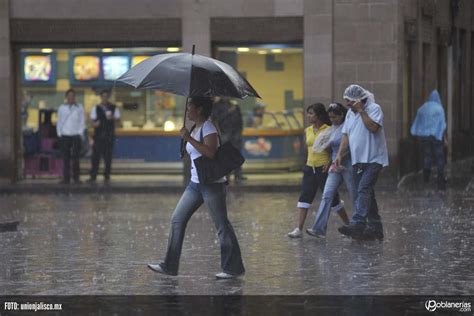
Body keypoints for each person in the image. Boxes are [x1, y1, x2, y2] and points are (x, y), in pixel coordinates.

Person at [148, 96, 245, 279]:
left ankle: (233, 268)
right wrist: (186, 138)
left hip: (211, 184)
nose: (188, 110)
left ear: (199, 109)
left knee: (222, 225)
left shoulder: (208, 127)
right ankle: (170, 265)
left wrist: (188, 139)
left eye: (190, 106)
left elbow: (211, 152)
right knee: (177, 219)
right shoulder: (195, 127)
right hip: (195, 183)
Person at [334, 84, 389, 241]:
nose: (347, 105)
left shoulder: (374, 109)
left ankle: (358, 222)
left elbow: (373, 128)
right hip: (358, 160)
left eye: (350, 102)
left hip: (374, 159)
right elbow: (346, 135)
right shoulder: (350, 114)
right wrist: (340, 154)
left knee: (363, 189)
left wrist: (361, 110)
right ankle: (375, 228)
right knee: (367, 194)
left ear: (358, 100)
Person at [287, 103, 347, 238]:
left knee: (334, 200)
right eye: (308, 113)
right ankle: (298, 229)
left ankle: (348, 224)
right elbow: (307, 149)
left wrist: (329, 162)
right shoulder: (307, 130)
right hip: (309, 168)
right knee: (304, 197)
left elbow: (333, 150)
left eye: (311, 113)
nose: (308, 116)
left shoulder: (328, 129)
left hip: (323, 169)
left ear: (319, 115)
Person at [306, 103, 352, 239]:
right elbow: (328, 148)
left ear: (341, 115)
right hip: (335, 165)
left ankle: (359, 224)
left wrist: (340, 156)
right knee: (327, 194)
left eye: (334, 117)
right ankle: (319, 228)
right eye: (330, 117)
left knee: (354, 194)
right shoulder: (332, 129)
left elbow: (351, 146)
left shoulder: (348, 127)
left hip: (348, 164)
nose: (332, 120)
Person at [410, 89, 447, 190]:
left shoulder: (423, 108)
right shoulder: (439, 109)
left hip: (425, 137)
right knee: (439, 157)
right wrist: (441, 135)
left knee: (427, 156)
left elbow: (418, 121)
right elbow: (442, 124)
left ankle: (426, 178)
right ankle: (440, 179)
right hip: (436, 137)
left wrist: (416, 131)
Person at [87, 89, 120, 183]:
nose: (104, 98)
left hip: (109, 136)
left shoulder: (113, 107)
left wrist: (112, 117)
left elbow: (118, 120)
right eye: (103, 96)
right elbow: (92, 121)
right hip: (98, 136)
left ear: (108, 97)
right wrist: (95, 124)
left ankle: (107, 175)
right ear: (100, 97)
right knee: (95, 157)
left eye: (106, 96)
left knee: (108, 157)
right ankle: (93, 176)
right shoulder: (96, 108)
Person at [212, 97, 246, 182]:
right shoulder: (217, 106)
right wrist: (228, 112)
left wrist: (240, 132)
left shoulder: (235, 105)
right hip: (224, 133)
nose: (228, 96)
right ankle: (226, 176)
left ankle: (238, 175)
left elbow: (240, 120)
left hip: (235, 134)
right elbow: (217, 119)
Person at [56, 88, 85, 184]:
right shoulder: (61, 108)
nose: (71, 98)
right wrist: (59, 133)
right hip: (65, 135)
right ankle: (66, 178)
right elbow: (59, 121)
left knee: (76, 158)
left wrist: (80, 133)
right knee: (66, 158)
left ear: (75, 97)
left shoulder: (79, 107)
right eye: (69, 96)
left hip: (76, 135)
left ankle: (76, 178)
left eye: (73, 96)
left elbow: (82, 121)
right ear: (66, 97)